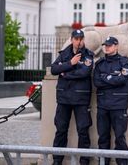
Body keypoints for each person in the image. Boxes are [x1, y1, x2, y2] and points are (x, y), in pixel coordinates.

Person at [51, 29, 94, 165]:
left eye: (81, 38)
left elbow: (84, 73)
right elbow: (53, 70)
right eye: (76, 38)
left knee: (83, 130)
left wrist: (66, 73)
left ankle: (84, 161)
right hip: (64, 98)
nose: (79, 41)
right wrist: (70, 64)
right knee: (61, 130)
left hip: (81, 99)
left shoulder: (88, 55)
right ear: (72, 39)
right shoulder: (64, 54)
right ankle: (57, 161)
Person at [93, 36, 128, 165]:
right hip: (103, 106)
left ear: (116, 46)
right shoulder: (100, 63)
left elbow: (122, 79)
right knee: (103, 138)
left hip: (119, 106)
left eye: (109, 45)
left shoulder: (123, 62)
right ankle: (103, 163)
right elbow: (96, 82)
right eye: (105, 45)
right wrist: (112, 78)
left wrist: (106, 78)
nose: (107, 48)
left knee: (120, 138)